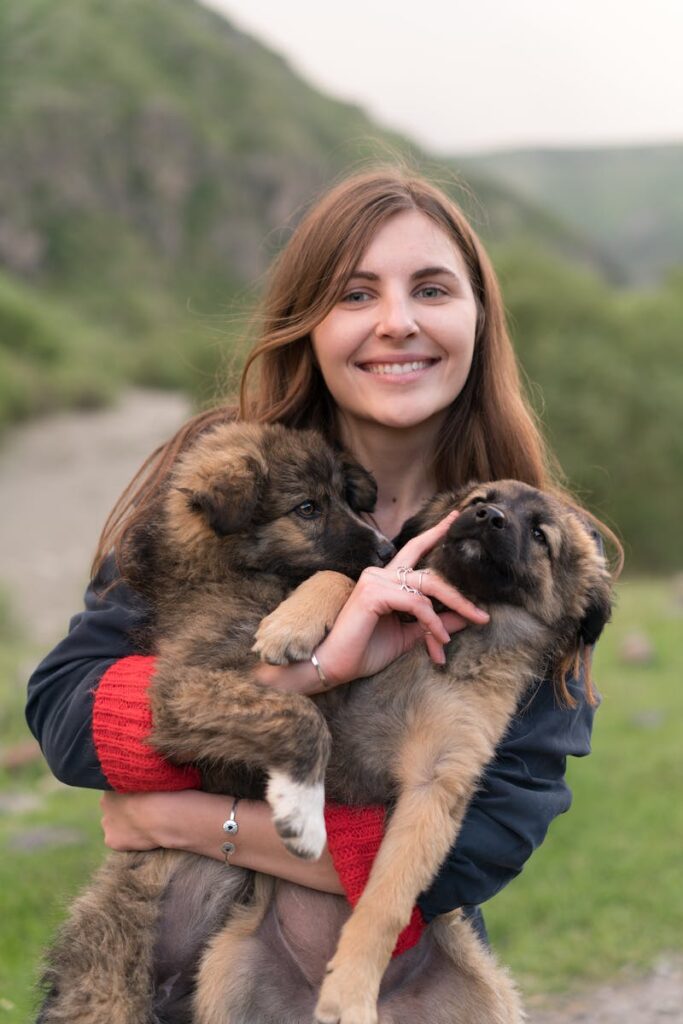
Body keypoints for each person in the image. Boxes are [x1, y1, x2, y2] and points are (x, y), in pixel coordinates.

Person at [26, 167, 612, 961]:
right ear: (307, 322)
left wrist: (182, 819)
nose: (396, 322)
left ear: (479, 319)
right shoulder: (231, 473)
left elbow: (476, 848)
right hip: (176, 961)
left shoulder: (542, 554)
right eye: (356, 294)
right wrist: (302, 678)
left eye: (432, 290)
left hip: (382, 986)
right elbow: (68, 709)